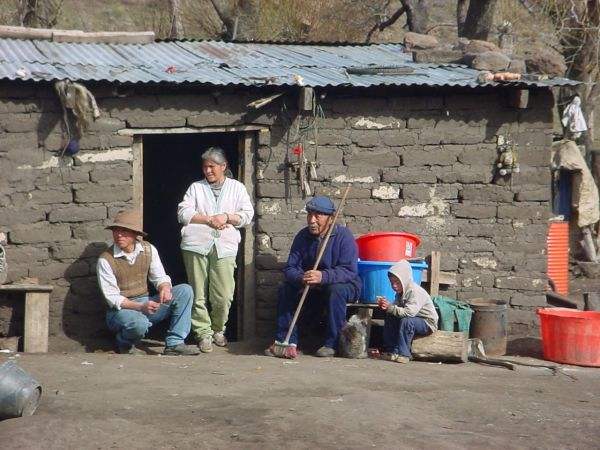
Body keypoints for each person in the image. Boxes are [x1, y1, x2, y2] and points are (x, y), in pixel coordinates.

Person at [177, 147, 254, 353]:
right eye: (205, 167)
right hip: (195, 245)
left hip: (225, 246)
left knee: (223, 295)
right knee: (198, 293)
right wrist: (208, 219)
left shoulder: (237, 188)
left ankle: (218, 329)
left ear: (223, 166)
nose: (208, 171)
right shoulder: (196, 188)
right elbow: (183, 212)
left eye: (212, 166)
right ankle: (203, 333)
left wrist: (227, 217)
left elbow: (247, 215)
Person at [266, 196, 361, 358]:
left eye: (318, 216)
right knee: (286, 289)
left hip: (344, 284)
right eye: (310, 215)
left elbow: (349, 270)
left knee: (335, 290)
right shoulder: (302, 237)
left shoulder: (343, 237)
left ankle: (332, 343)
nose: (312, 220)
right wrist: (302, 277)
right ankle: (287, 341)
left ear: (331, 219)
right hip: (311, 285)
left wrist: (323, 276)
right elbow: (290, 268)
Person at [97, 209, 199, 356]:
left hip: (145, 303)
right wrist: (140, 306)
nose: (119, 235)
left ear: (135, 234)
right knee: (139, 324)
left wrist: (165, 288)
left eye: (124, 231)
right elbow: (112, 298)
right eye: (116, 230)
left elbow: (160, 277)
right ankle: (125, 344)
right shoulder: (106, 260)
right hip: (120, 311)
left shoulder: (148, 249)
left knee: (185, 291)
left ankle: (174, 343)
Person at [377, 260, 438, 363]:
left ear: (404, 279)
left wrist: (391, 308)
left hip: (427, 322)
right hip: (413, 318)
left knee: (407, 321)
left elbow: (410, 313)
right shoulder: (400, 293)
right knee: (390, 316)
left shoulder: (414, 291)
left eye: (397, 282)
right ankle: (392, 351)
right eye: (392, 283)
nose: (394, 286)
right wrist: (386, 306)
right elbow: (395, 308)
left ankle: (404, 354)